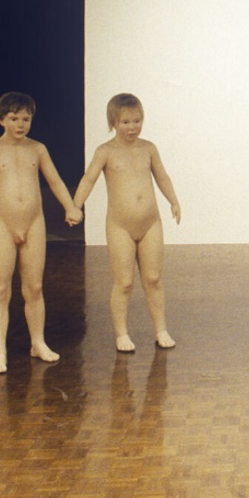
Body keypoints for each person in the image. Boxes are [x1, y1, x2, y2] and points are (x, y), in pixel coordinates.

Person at [0, 91, 82, 374]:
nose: (20, 124)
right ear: (2, 119)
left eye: (26, 119)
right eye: (14, 119)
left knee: (34, 288)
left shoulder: (38, 149)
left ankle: (38, 342)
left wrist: (70, 206)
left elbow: (55, 180)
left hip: (34, 223)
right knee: (0, 290)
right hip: (1, 223)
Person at [72, 93, 182, 352]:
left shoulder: (148, 148)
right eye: (125, 122)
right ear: (113, 122)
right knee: (124, 282)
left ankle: (161, 329)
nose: (132, 127)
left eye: (137, 121)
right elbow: (89, 179)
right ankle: (121, 333)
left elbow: (162, 177)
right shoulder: (106, 151)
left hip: (151, 223)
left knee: (153, 279)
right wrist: (75, 205)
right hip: (119, 226)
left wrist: (174, 200)